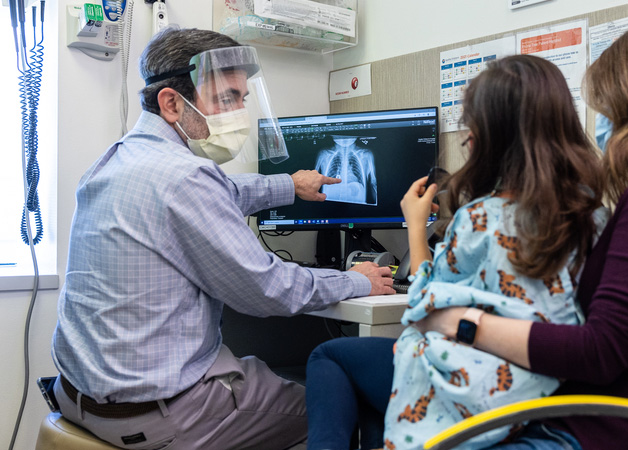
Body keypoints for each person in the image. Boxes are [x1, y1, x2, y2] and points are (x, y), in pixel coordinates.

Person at [305, 14, 628, 450]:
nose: (603, 121)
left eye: (607, 105)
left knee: (375, 371)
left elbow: (600, 351)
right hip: (591, 413)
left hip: (594, 430)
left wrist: (461, 323)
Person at [50, 28, 394, 450]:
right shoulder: (186, 178)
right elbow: (268, 289)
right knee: (342, 404)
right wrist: (358, 280)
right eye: (227, 99)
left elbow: (221, 192)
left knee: (272, 367)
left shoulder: (117, 160)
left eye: (242, 100)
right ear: (172, 103)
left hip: (79, 400)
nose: (239, 114)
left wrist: (290, 184)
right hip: (163, 415)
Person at [306, 54, 605, 450]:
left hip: (470, 387)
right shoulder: (593, 215)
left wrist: (415, 226)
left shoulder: (479, 217)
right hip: (535, 390)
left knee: (330, 356)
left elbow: (426, 301)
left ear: (488, 136)